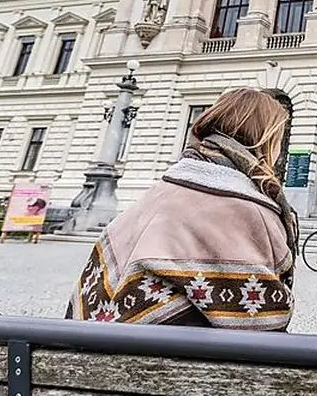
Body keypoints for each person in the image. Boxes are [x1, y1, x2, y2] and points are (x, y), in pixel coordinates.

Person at [65, 88, 298, 329]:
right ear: (265, 140)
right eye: (278, 140)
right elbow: (264, 323)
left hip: (90, 340)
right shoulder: (250, 212)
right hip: (172, 351)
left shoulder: (158, 193)